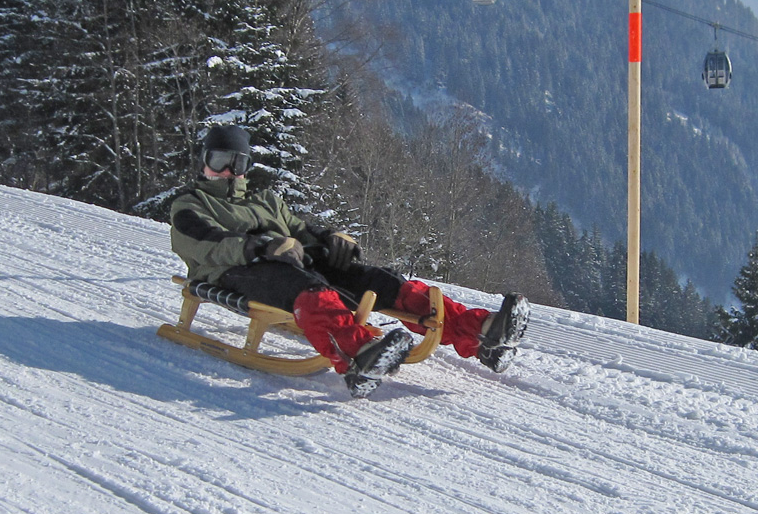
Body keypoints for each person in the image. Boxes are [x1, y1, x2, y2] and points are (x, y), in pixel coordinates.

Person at [167, 125, 530, 397]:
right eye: (220, 162)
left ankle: (480, 331)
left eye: (237, 163)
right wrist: (258, 247)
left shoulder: (266, 200)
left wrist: (330, 239)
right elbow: (205, 243)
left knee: (373, 278)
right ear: (205, 162)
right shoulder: (191, 205)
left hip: (290, 262)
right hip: (234, 273)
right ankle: (357, 354)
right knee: (307, 288)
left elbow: (300, 229)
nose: (229, 171)